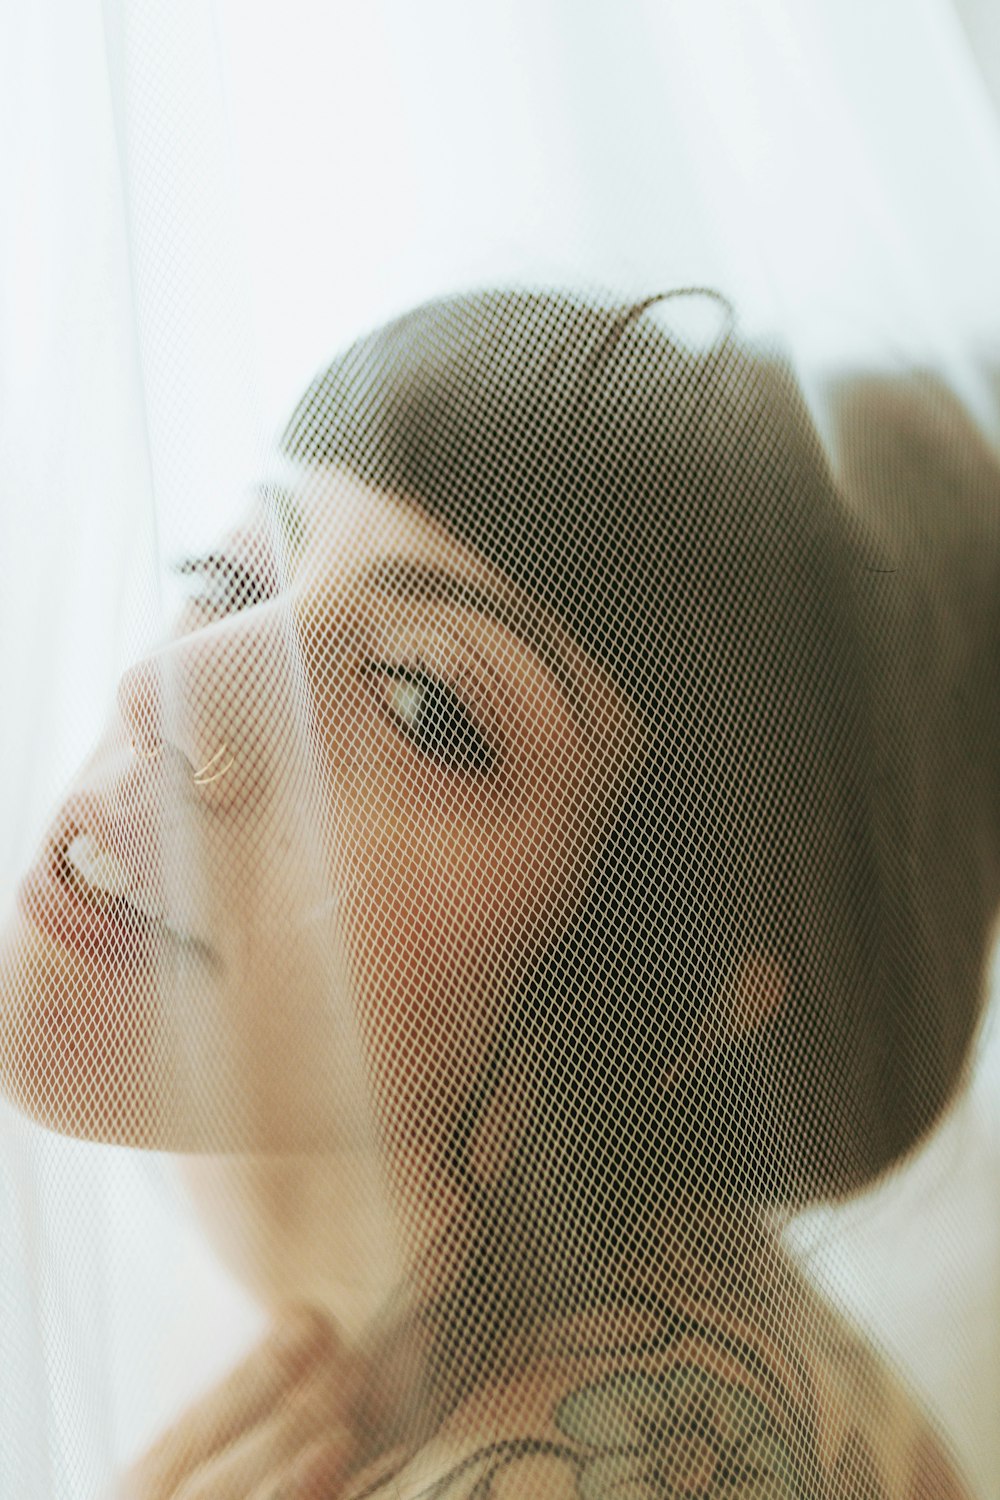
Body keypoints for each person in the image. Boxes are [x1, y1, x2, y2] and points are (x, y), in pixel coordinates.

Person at [1, 286, 991, 1498]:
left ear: (663, 979)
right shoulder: (405, 1283)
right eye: (229, 573)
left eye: (423, 702)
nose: (168, 689)